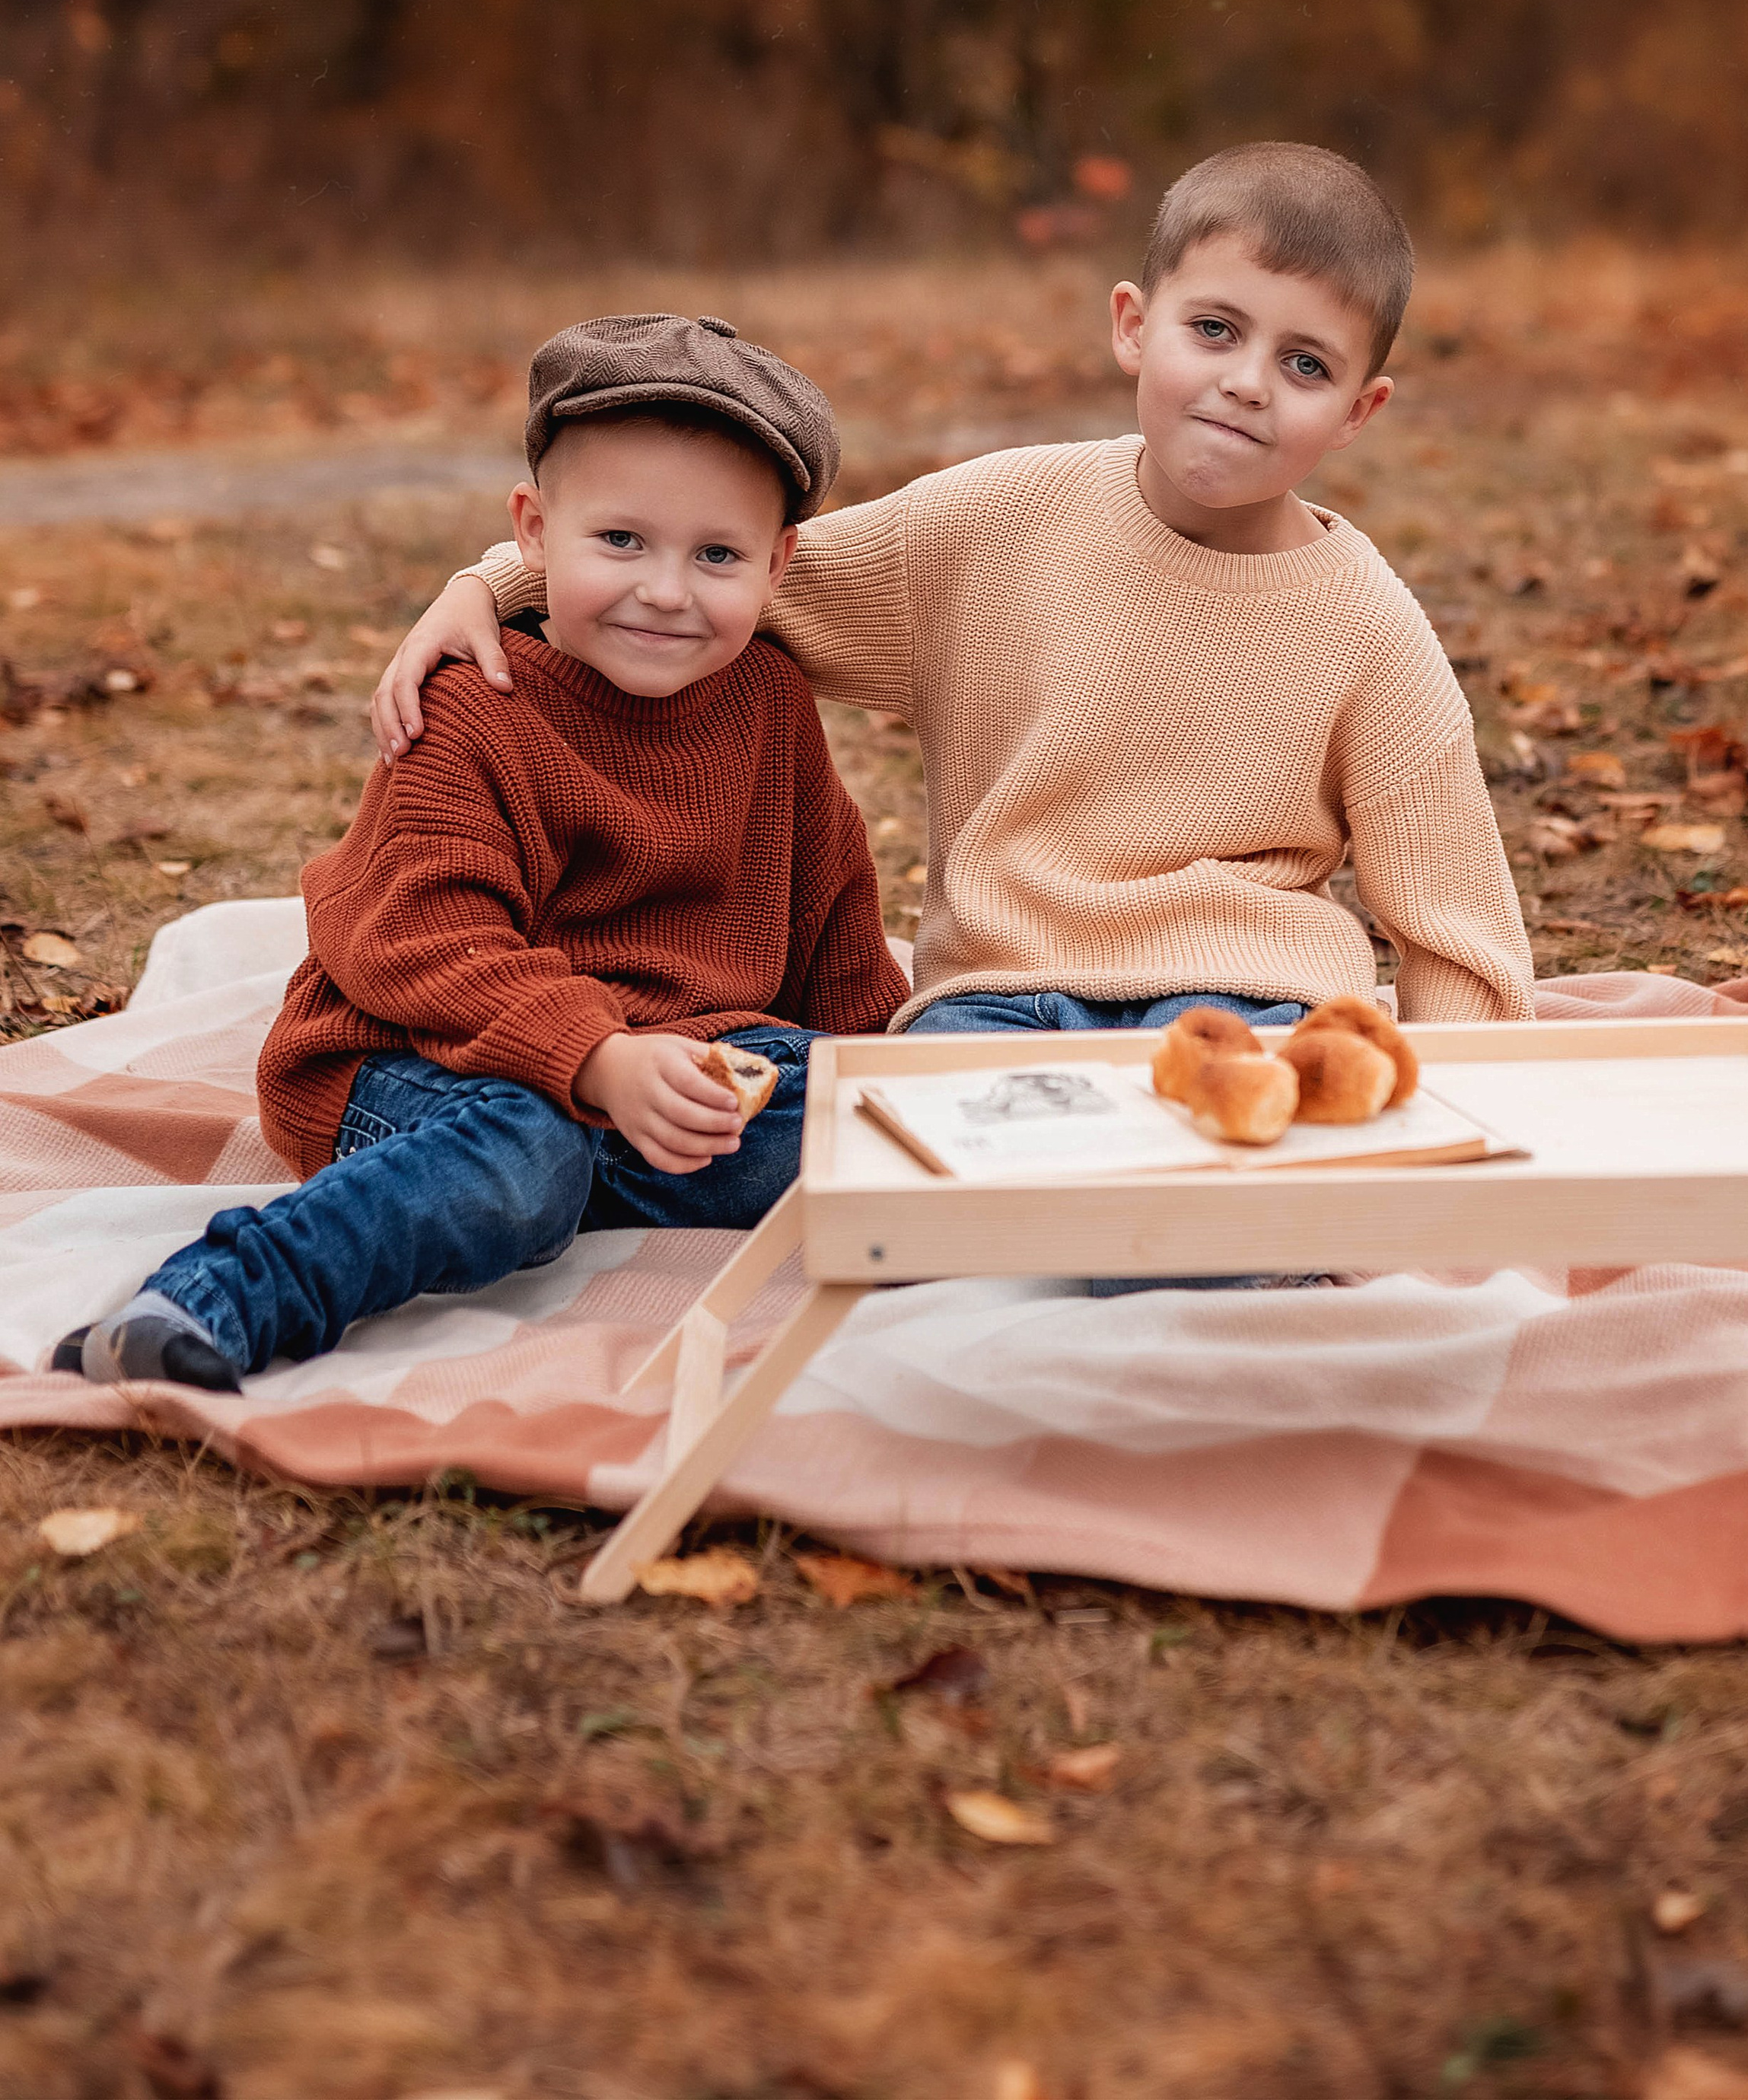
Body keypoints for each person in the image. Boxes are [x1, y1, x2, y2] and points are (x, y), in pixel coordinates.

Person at [368, 142, 1533, 1060]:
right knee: (955, 1180)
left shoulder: (1365, 624)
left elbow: (1456, 926)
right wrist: (497, 579)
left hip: (1255, 994)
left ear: (1360, 410)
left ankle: (1215, 1264)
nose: (1244, 382)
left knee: (1244, 1171)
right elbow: (739, 579)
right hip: (1003, 995)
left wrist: (1449, 1123)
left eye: (1305, 364)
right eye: (1215, 329)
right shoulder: (993, 521)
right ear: (1135, 325)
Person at [56, 315, 909, 1391]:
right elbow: (429, 942)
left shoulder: (770, 702)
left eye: (718, 555)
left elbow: (832, 913)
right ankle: (215, 1295)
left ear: (777, 562)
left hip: (667, 1061)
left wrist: (876, 1074)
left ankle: (604, 1166)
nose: (666, 589)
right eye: (621, 541)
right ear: (533, 533)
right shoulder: (475, 706)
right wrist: (596, 1061)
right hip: (424, 1060)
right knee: (527, 1152)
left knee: (845, 1114)